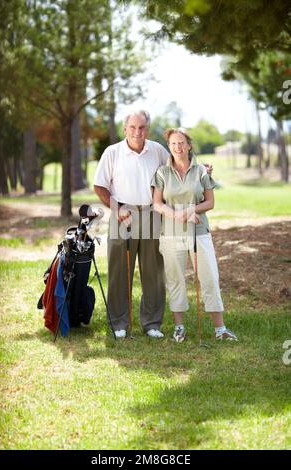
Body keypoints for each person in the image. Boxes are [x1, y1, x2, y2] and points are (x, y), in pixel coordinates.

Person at [152, 128, 237, 343]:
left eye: (181, 143)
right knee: (176, 279)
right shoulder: (162, 172)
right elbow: (157, 203)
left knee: (209, 277)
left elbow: (210, 202)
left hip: (200, 232)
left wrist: (191, 211)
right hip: (170, 232)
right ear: (169, 148)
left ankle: (220, 329)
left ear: (189, 145)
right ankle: (179, 327)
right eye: (173, 144)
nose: (177, 147)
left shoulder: (201, 171)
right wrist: (177, 215)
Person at [93, 110, 168, 338]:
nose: (138, 132)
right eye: (133, 127)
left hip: (151, 214)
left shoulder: (157, 150)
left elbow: (176, 168)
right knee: (119, 271)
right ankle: (119, 324)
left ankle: (152, 323)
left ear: (148, 129)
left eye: (142, 127)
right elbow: (99, 186)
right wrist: (116, 209)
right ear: (125, 129)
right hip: (121, 215)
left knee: (153, 270)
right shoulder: (112, 152)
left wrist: (201, 169)